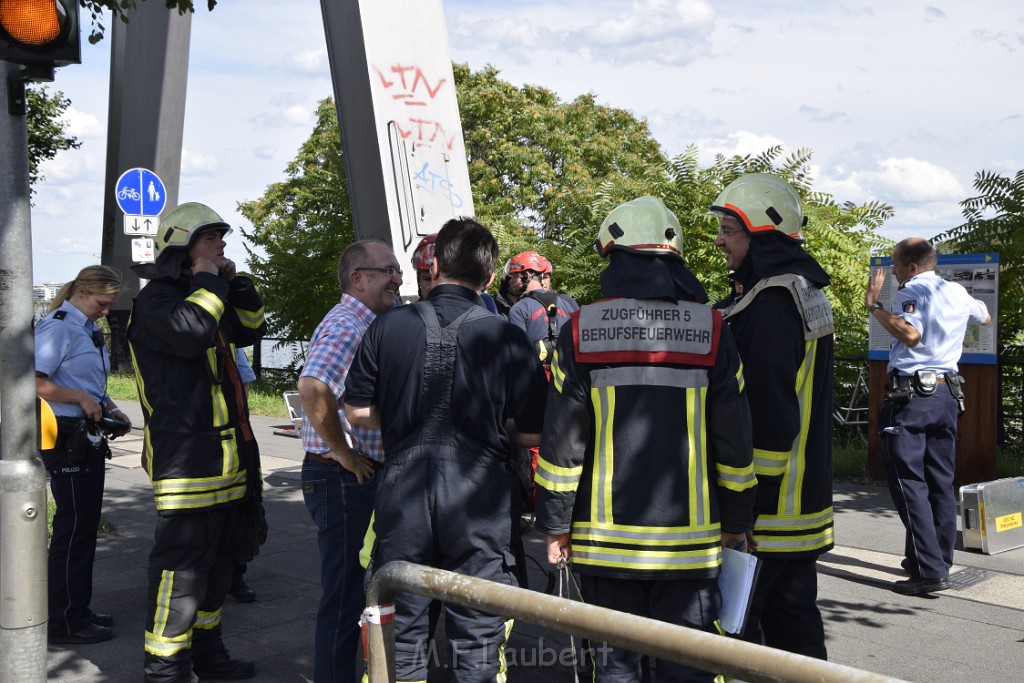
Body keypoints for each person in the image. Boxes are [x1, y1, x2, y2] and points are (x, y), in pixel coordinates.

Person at [535, 196, 756, 682]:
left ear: (614, 257)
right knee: (688, 670)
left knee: (616, 671)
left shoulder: (580, 330)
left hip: (604, 546)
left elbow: (561, 445)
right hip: (692, 548)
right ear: (673, 260)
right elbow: (735, 442)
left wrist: (555, 525)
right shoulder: (712, 329)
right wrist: (738, 520)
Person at [345, 218, 547, 682]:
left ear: (434, 266)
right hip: (478, 498)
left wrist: (399, 415)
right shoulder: (508, 336)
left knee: (399, 631)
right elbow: (535, 434)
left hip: (403, 493)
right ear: (491, 278)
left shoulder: (388, 326)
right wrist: (492, 426)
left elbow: (355, 411)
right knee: (477, 632)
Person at [128, 202, 268, 683]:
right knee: (181, 572)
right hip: (187, 464)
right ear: (184, 246)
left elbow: (251, 328)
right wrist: (210, 281)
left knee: (219, 568)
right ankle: (165, 669)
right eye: (213, 240)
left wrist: (236, 281)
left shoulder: (206, 296)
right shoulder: (157, 302)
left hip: (230, 464)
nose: (223, 247)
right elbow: (190, 334)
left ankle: (208, 655)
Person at [709, 173, 835, 660]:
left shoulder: (771, 306)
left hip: (769, 515)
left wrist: (743, 513)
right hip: (801, 508)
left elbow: (766, 417)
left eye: (729, 229)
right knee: (796, 633)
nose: (720, 240)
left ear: (761, 233)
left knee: (735, 637)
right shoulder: (801, 291)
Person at [297, 239, 402, 683]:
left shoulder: (364, 320)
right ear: (358, 279)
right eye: (388, 271)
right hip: (339, 477)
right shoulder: (350, 323)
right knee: (342, 600)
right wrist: (343, 452)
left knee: (350, 593)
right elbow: (313, 387)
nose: (398, 280)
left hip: (343, 476)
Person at [866, 237, 990, 596]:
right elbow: (985, 316)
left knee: (909, 483)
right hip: (947, 395)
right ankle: (934, 559)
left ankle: (930, 571)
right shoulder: (956, 291)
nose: (892, 273)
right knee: (938, 482)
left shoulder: (912, 292)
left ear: (912, 267)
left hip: (911, 398)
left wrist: (874, 305)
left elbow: (911, 335)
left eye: (895, 266)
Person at [35, 265, 131, 645]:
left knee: (84, 526)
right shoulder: (59, 327)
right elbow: (33, 380)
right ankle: (63, 621)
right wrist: (80, 398)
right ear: (81, 292)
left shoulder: (84, 329)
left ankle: (77, 609)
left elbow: (84, 381)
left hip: (83, 434)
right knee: (73, 530)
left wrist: (109, 406)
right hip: (65, 437)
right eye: (103, 303)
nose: (105, 311)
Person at [506, 251, 579, 365]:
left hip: (536, 378)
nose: (511, 281)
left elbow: (517, 356)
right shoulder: (566, 305)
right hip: (565, 378)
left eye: (515, 276)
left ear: (527, 276)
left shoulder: (519, 309)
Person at [231, 348, 259, 604]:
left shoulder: (230, 341)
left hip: (236, 436)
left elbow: (244, 381)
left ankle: (235, 575)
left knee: (241, 507)